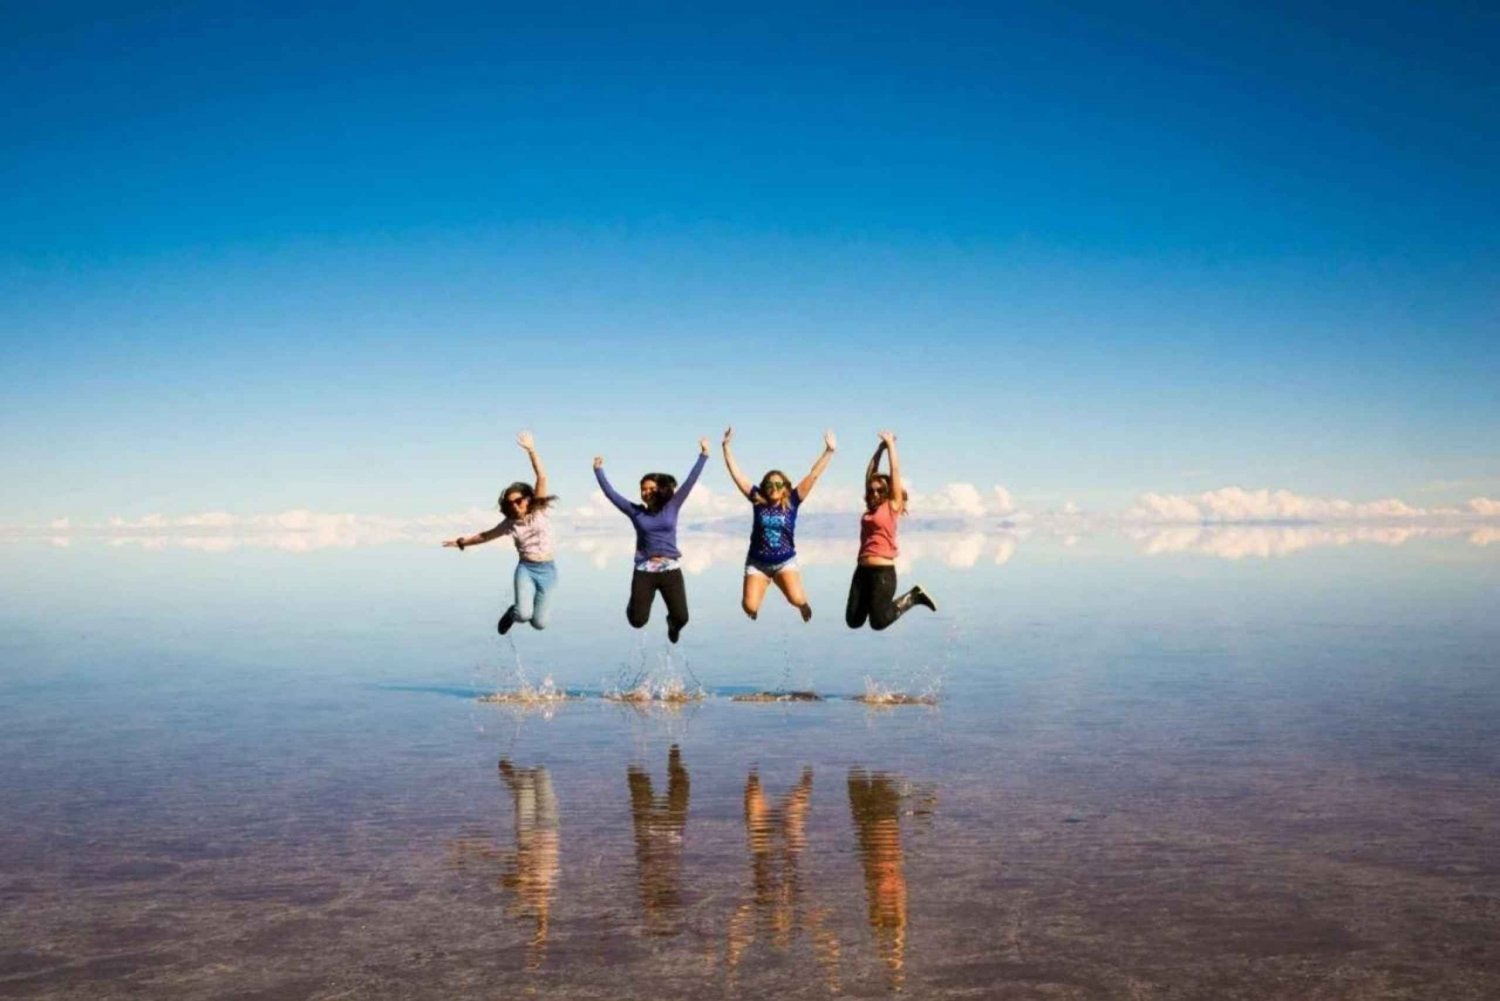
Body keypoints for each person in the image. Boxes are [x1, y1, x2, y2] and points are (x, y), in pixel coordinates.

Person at [594, 438, 709, 643]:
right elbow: (611, 495)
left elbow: (690, 482)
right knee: (637, 621)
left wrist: (704, 455)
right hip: (644, 570)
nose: (645, 492)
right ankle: (633, 604)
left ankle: (672, 625)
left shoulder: (672, 506)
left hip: (670, 569)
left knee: (682, 617)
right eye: (642, 489)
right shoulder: (635, 512)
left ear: (660, 489)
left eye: (650, 488)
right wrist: (598, 471)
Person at [444, 431, 558, 634]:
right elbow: (485, 536)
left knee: (539, 624)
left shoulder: (539, 510)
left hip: (548, 571)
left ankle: (524, 613)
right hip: (526, 569)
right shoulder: (510, 523)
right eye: (510, 503)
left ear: (528, 499)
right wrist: (461, 542)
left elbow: (542, 476)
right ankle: (512, 613)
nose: (515, 505)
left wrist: (531, 449)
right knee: (523, 614)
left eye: (518, 500)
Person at [721, 426, 836, 621]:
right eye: (769, 484)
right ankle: (762, 584)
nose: (773, 487)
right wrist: (726, 447)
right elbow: (738, 476)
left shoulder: (793, 500)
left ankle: (801, 604)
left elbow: (813, 475)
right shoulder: (758, 499)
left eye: (778, 484)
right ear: (764, 487)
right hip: (758, 564)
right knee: (749, 607)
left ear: (785, 487)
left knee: (797, 599)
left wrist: (829, 451)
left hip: (784, 562)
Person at [845, 431, 936, 630]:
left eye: (880, 490)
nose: (875, 492)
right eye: (872, 490)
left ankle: (914, 596)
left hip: (882, 573)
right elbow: (870, 472)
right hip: (861, 571)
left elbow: (895, 470)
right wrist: (879, 449)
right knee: (853, 621)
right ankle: (875, 603)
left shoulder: (892, 506)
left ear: (888, 493)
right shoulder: (870, 510)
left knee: (878, 622)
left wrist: (891, 446)